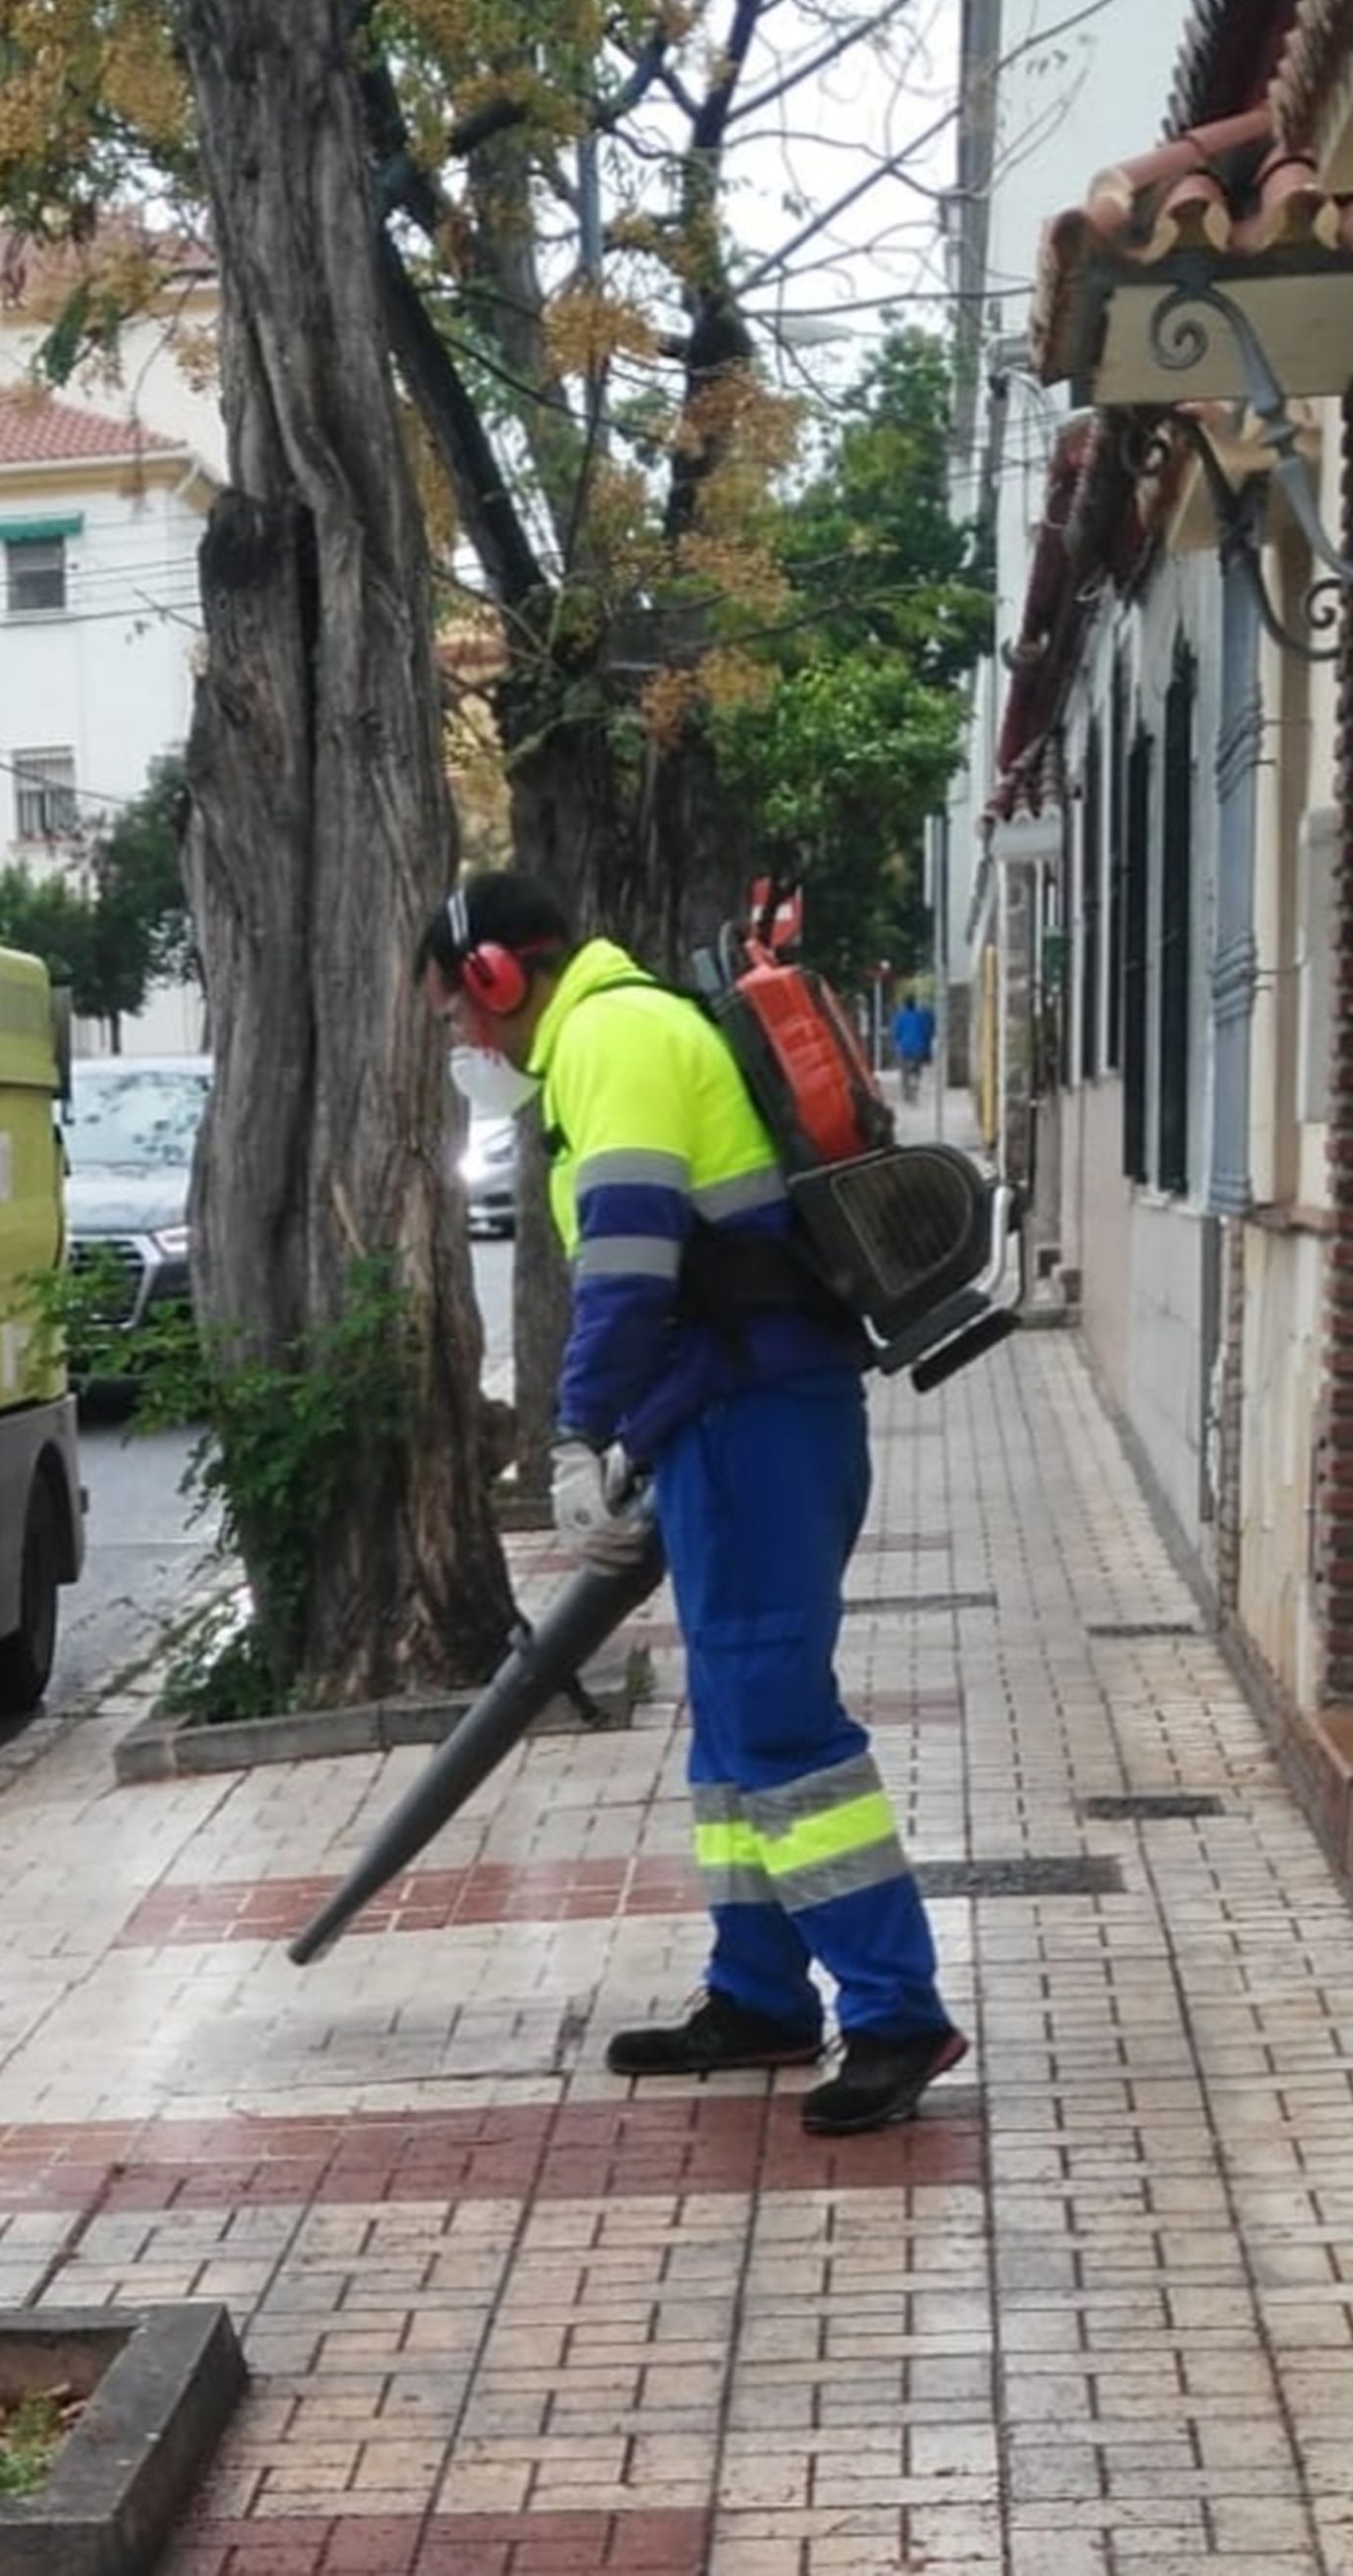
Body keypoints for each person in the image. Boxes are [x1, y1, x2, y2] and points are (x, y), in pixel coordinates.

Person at [418, 870, 966, 2136]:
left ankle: (895, 2011)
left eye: (460, 1012)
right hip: (734, 1416)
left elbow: (626, 1260)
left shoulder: (612, 1037)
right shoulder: (624, 1031)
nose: (461, 1039)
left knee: (775, 1715)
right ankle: (761, 1991)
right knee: (730, 1722)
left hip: (756, 1420)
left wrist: (577, 1431)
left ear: (502, 978)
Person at [891, 990, 935, 1103]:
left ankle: (907, 1093)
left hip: (904, 1048)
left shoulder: (900, 1016)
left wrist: (897, 1042)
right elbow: (927, 1032)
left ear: (905, 1004)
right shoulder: (920, 1016)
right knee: (916, 1070)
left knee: (904, 1072)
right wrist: (926, 1046)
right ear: (914, 1003)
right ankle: (915, 1088)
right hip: (919, 1048)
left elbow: (896, 1033)